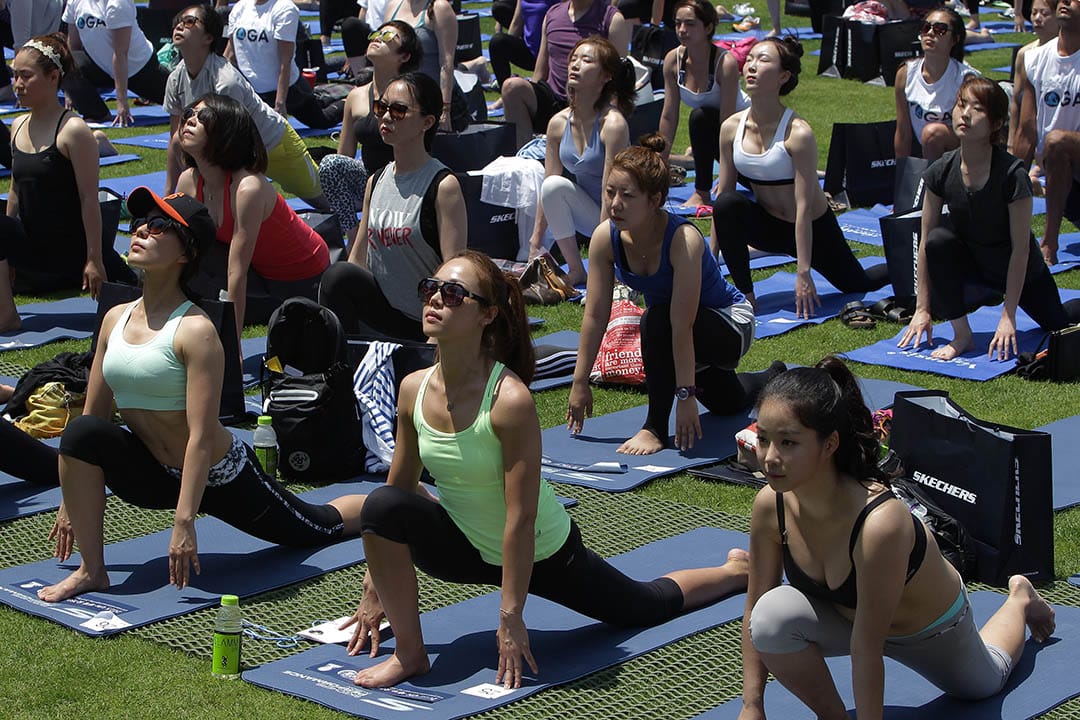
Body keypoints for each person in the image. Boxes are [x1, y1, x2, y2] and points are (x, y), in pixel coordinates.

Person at [338, 248, 750, 688]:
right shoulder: (413, 389)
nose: (436, 299)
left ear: (487, 315)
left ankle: (734, 572)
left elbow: (521, 517)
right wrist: (374, 588)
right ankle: (410, 655)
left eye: (454, 293)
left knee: (644, 606)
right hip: (463, 547)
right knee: (382, 505)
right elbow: (401, 486)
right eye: (431, 288)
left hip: (541, 553)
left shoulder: (509, 400)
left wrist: (511, 616)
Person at [35, 188, 366, 603]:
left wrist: (184, 521)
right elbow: (95, 414)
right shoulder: (115, 319)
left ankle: (384, 504)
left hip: (218, 477)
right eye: (139, 223)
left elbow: (202, 435)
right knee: (81, 432)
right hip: (153, 473)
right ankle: (92, 571)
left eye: (159, 226)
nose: (141, 231)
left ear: (186, 254)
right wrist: (71, 502)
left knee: (318, 525)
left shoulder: (196, 330)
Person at [738, 357, 1056, 720]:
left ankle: (1019, 598)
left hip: (929, 632)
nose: (770, 458)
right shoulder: (770, 505)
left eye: (788, 442)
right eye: (763, 439)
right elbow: (753, 608)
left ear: (829, 444)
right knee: (769, 618)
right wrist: (752, 706)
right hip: (849, 622)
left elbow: (867, 648)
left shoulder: (879, 522)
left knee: (985, 683)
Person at [567, 136, 781, 456]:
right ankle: (775, 375)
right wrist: (579, 381)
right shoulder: (605, 238)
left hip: (729, 324)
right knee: (729, 403)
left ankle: (653, 427)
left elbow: (682, 325)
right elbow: (596, 315)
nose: (615, 204)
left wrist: (685, 396)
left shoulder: (683, 240)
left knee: (655, 320)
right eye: (610, 192)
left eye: (627, 195)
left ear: (655, 200)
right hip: (679, 332)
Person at [898, 76, 1080, 362]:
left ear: (996, 123)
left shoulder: (1012, 174)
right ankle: (963, 336)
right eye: (961, 105)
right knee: (937, 241)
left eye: (978, 108)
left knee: (1058, 325)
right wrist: (922, 309)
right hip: (974, 266)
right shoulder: (941, 170)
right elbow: (924, 244)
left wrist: (1009, 316)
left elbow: (1020, 250)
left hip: (1020, 271)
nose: (965, 114)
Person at [712, 37, 889, 318]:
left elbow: (804, 207)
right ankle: (746, 296)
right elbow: (723, 200)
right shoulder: (730, 128)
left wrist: (803, 272)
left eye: (763, 60)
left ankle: (909, 263)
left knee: (858, 283)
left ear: (783, 76)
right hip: (768, 228)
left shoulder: (798, 132)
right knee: (727, 204)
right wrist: (711, 266)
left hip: (813, 229)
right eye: (751, 59)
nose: (752, 66)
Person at [0, 34, 134, 332]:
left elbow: (89, 199)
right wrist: (7, 254)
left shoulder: (73, 130)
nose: (18, 84)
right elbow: (15, 190)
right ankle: (6, 315)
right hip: (35, 248)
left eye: (25, 76)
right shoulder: (17, 125)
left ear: (53, 77)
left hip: (73, 250)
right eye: (14, 75)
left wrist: (94, 260)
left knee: (140, 304)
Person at [318, 72, 467, 341]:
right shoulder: (375, 181)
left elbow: (454, 272)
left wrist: (435, 341)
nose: (386, 117)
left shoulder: (443, 186)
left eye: (398, 110)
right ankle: (344, 359)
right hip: (386, 312)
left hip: (425, 320)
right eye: (381, 107)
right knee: (338, 276)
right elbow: (358, 260)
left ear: (427, 122)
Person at [175, 94, 330, 338]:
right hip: (259, 274)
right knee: (186, 249)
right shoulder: (189, 182)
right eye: (188, 114)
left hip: (302, 276)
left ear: (227, 131)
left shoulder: (248, 188)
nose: (190, 120)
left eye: (203, 116)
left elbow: (236, 270)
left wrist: (233, 345)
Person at [163, 4, 327, 209]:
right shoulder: (175, 79)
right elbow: (177, 139)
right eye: (177, 22)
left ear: (208, 37)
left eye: (189, 22)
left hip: (274, 144)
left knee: (326, 201)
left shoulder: (225, 83)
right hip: (235, 149)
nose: (179, 26)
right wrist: (168, 198)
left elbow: (233, 145)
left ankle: (354, 183)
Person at [527, 36, 633, 288]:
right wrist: (535, 241)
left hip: (624, 214)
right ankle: (576, 270)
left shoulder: (613, 124)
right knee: (552, 186)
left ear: (606, 76)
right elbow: (548, 185)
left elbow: (612, 190)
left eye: (586, 60)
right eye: (573, 59)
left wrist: (602, 256)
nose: (575, 65)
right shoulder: (557, 124)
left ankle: (610, 263)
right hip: (591, 213)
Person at [318, 20, 421, 248]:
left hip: (407, 178)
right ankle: (355, 238)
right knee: (330, 165)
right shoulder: (356, 96)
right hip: (370, 181)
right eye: (376, 34)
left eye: (388, 37)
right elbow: (344, 155)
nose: (378, 39)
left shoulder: (412, 94)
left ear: (404, 56)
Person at [500, 0, 630, 149]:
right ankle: (525, 155)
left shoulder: (612, 19)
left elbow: (617, 82)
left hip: (592, 104)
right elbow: (540, 73)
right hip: (555, 100)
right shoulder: (552, 15)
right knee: (512, 87)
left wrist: (610, 119)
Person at [658, 0, 748, 208]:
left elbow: (727, 123)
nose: (682, 29)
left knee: (700, 117)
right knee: (701, 118)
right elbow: (669, 115)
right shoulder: (673, 60)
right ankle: (702, 191)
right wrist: (660, 160)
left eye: (690, 24)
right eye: (678, 23)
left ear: (708, 28)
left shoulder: (725, 63)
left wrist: (727, 178)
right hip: (714, 134)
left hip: (744, 137)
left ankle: (702, 192)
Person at [1014, 0, 1080, 266]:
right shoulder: (1035, 59)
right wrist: (1011, 181)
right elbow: (1027, 130)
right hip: (1062, 178)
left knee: (1057, 141)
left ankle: (1049, 242)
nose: (1066, 2)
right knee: (1054, 144)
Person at [224, 0, 343, 129]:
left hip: (290, 90)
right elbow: (230, 54)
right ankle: (322, 97)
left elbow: (285, 61)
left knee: (322, 121)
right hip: (255, 90)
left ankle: (347, 101)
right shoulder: (240, 8)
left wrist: (280, 103)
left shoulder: (284, 9)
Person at [60, 0, 170, 126]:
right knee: (64, 61)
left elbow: (120, 53)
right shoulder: (75, 2)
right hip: (101, 66)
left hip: (139, 68)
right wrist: (70, 91)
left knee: (183, 102)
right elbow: (74, 47)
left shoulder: (117, 4)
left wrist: (122, 102)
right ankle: (96, 114)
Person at [894, 8, 978, 161]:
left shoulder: (966, 79)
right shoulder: (905, 74)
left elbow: (973, 132)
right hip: (925, 149)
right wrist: (901, 170)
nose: (930, 33)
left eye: (940, 29)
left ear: (955, 39)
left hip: (960, 151)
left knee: (932, 133)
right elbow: (903, 132)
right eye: (926, 27)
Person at [382, 0, 469, 131]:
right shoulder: (393, 6)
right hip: (403, 100)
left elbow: (446, 62)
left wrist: (445, 109)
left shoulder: (439, 7)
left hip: (436, 100)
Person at [1007, 0, 1057, 171]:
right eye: (1034, 12)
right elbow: (1016, 101)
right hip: (1028, 129)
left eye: (1044, 13)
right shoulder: (1025, 54)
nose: (1037, 18)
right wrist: (1011, 142)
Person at [488, 0, 561, 95]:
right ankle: (507, 93)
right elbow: (516, 23)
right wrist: (508, 44)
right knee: (497, 42)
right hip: (530, 52)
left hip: (548, 55)